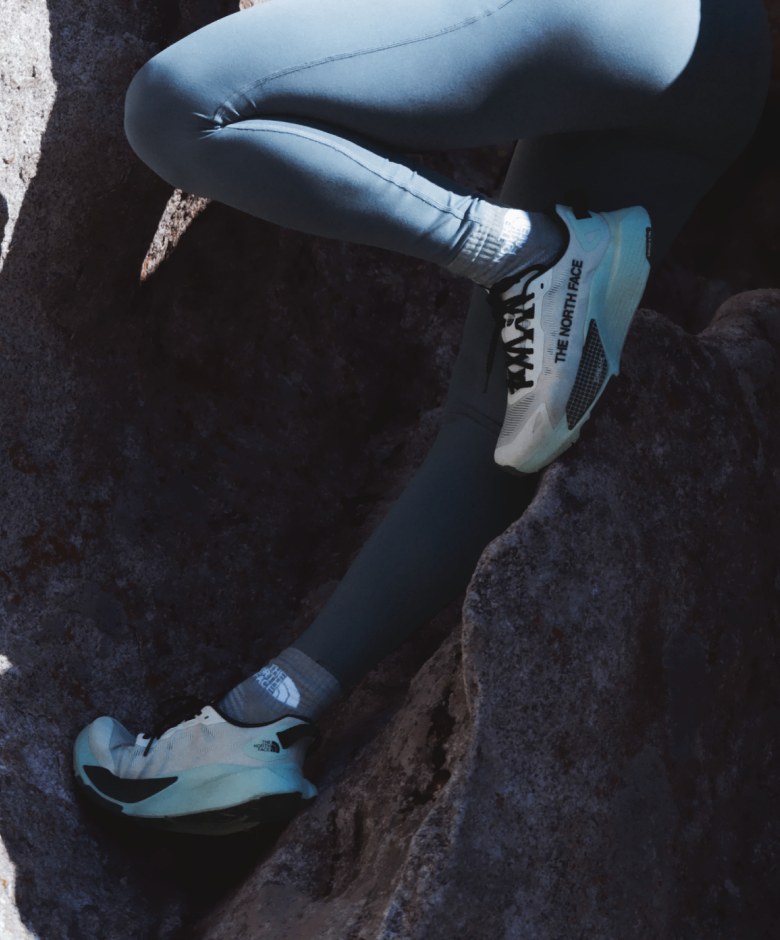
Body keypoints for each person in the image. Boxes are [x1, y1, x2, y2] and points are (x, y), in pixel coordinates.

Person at [73, 0, 770, 834]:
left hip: (621, 21)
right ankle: (261, 722)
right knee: (506, 427)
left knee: (184, 104)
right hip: (718, 57)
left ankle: (522, 254)